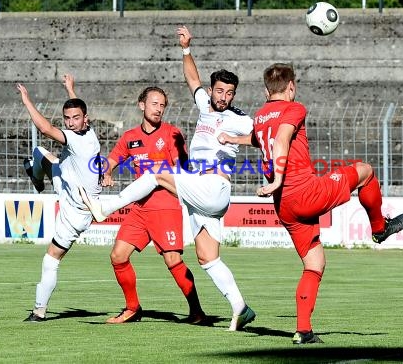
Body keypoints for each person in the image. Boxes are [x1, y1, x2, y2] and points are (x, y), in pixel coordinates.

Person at [78, 25, 256, 331]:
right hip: (202, 196)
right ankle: (240, 307)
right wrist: (186, 49)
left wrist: (237, 139)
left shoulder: (239, 119)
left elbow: (266, 138)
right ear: (212, 90)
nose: (224, 97)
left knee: (157, 174)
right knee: (207, 257)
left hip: (214, 185)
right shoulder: (204, 105)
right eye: (220, 91)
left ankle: (104, 209)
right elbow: (192, 79)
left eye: (230, 93)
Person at [219, 63, 403, 344]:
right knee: (365, 172)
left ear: (265, 90)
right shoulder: (295, 109)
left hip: (284, 205)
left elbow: (264, 140)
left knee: (315, 262)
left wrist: (231, 138)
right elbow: (281, 140)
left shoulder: (260, 116)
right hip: (303, 191)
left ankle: (303, 331)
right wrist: (277, 180)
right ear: (291, 87)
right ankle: (379, 228)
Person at [99, 86, 206, 324]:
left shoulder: (171, 133)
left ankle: (197, 312)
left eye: (162, 105)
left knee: (173, 260)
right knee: (118, 255)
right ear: (142, 105)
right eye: (154, 104)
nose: (158, 109)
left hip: (165, 206)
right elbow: (112, 160)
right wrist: (106, 173)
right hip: (140, 209)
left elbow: (182, 171)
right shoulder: (130, 137)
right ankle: (132, 308)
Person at [19, 74, 102, 322]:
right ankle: (37, 177)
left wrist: (26, 101)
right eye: (67, 118)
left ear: (86, 119)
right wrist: (70, 88)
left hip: (76, 210)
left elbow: (44, 128)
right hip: (66, 181)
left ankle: (39, 311)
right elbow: (76, 109)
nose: (71, 122)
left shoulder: (79, 141)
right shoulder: (88, 130)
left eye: (76, 118)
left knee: (50, 259)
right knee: (39, 152)